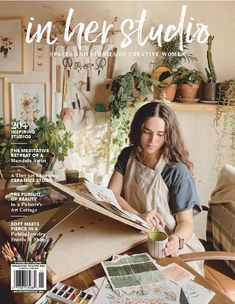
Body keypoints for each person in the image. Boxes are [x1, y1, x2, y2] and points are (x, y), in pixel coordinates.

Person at [108, 101, 205, 275]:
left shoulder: (176, 171)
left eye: (161, 134)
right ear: (139, 129)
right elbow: (111, 193)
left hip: (166, 244)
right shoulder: (127, 155)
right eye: (147, 132)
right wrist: (139, 216)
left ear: (168, 135)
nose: (153, 141)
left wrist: (177, 239)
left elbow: (186, 223)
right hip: (133, 233)